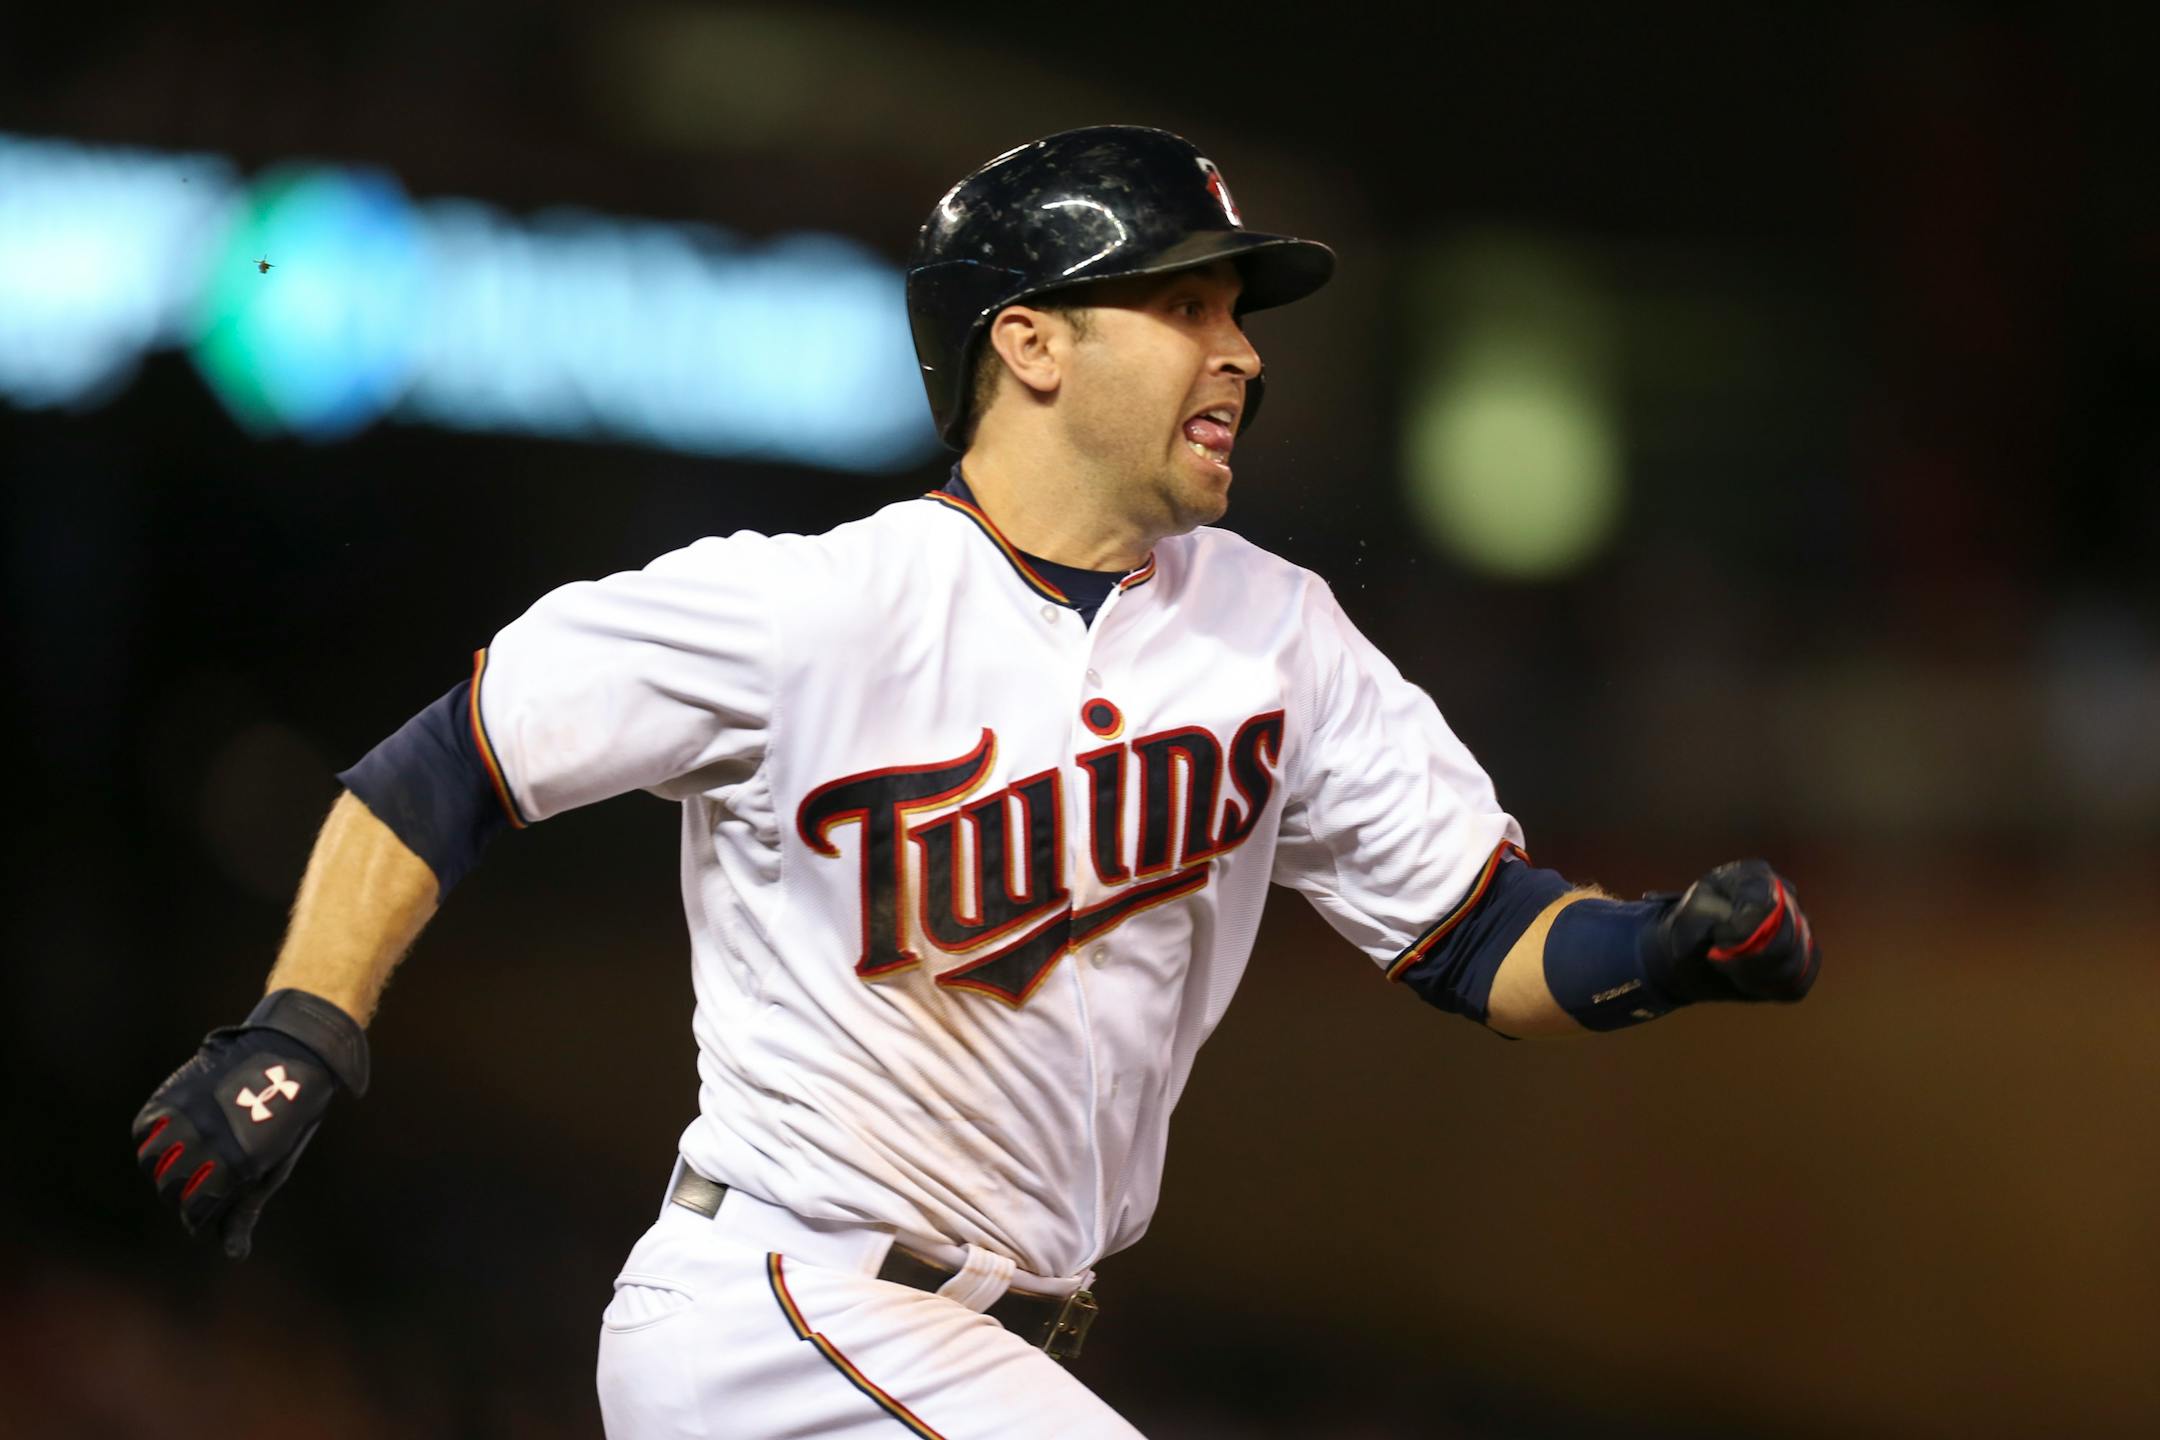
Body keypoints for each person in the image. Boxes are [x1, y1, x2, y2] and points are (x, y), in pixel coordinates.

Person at [134, 126, 1820, 1439]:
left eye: (1238, 312)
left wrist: (1661, 950)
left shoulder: (1276, 637)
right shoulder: (811, 608)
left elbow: (1475, 938)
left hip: (969, 1344)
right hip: (784, 1319)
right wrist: (302, 1025)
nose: (1238, 351)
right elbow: (453, 761)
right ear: (1028, 342)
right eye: (1184, 304)